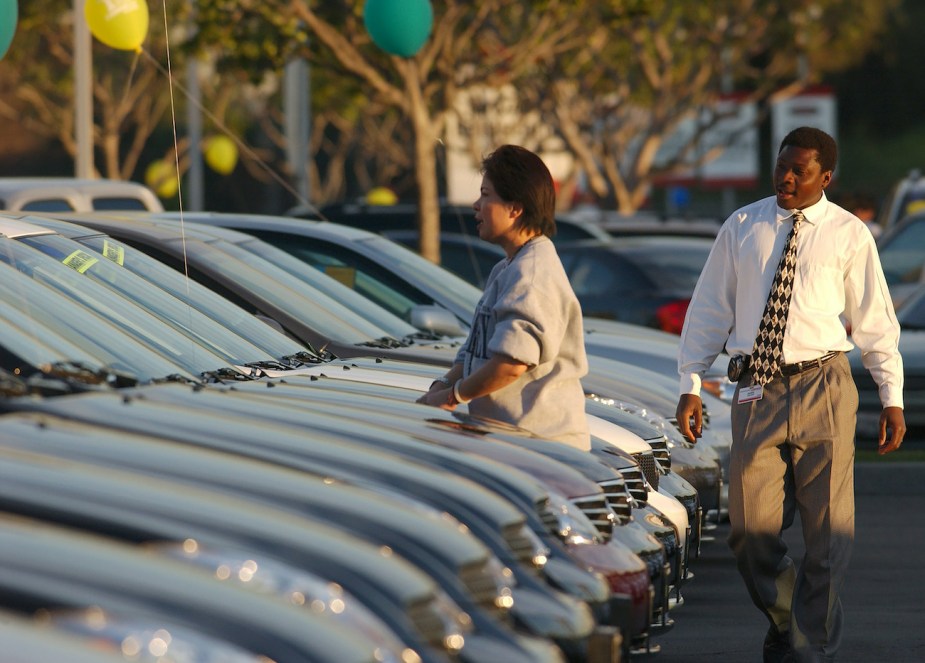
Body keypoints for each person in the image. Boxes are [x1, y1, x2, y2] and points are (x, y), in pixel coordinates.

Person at [675, 127, 905, 663]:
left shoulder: (850, 235)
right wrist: (690, 384)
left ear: (826, 177)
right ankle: (788, 623)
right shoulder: (742, 226)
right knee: (749, 532)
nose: (786, 177)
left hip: (825, 383)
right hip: (758, 386)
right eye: (782, 166)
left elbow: (875, 322)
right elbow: (707, 311)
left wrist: (890, 396)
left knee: (828, 538)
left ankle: (809, 649)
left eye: (800, 170)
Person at [416, 144, 590, 450]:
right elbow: (475, 353)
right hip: (513, 444)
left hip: (541, 448)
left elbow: (512, 362)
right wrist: (442, 385)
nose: (476, 205)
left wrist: (453, 396)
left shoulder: (532, 273)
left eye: (486, 195)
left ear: (515, 208)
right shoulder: (507, 268)